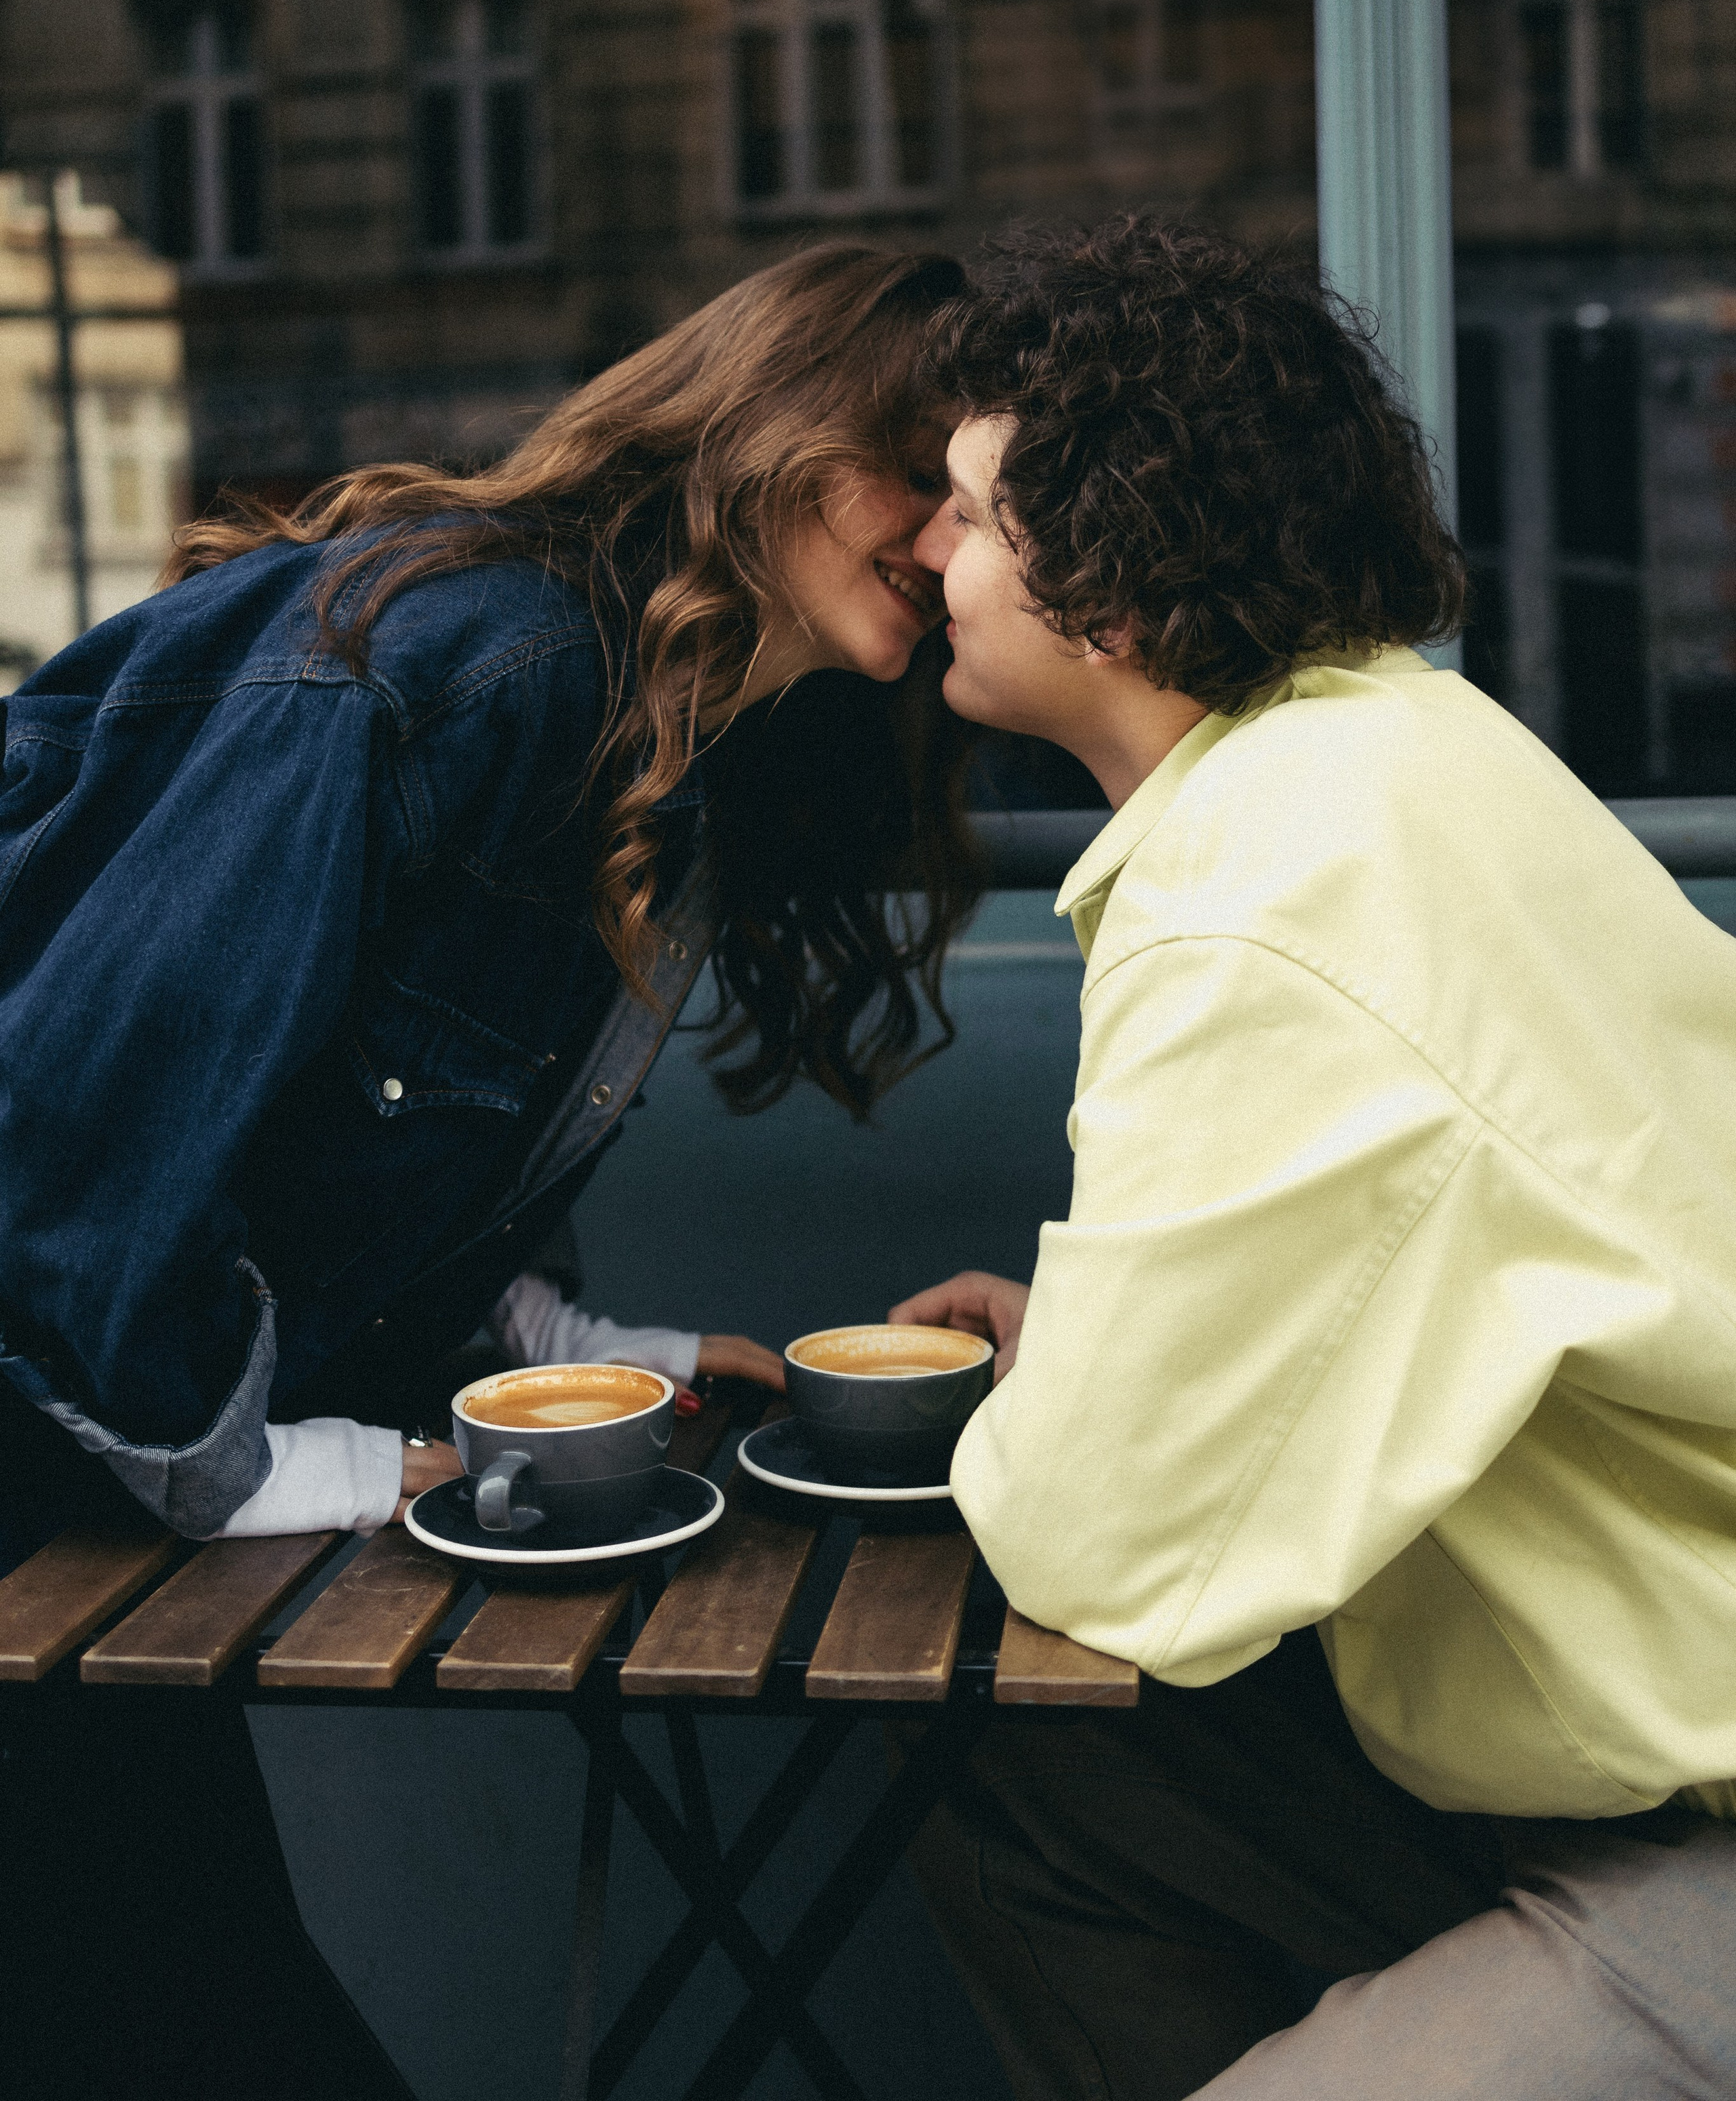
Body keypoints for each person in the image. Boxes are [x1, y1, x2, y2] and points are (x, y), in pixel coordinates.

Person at [0, 241, 978, 2097]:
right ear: (772, 429)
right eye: (913, 476)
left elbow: (394, 1129)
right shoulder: (495, 658)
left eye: (976, 508)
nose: (942, 546)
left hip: (72, 1483)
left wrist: (593, 1363)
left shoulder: (676, 733)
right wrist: (296, 1466)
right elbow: (76, 1125)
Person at [891, 216, 1736, 2101]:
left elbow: (1102, 1551)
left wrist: (1080, 1404)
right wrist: (1118, 1348)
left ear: (1104, 579)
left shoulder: (1265, 894)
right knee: (1026, 1791)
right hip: (1626, 1759)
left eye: (964, 511)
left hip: (1709, 1827)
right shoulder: (1385, 752)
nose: (925, 552)